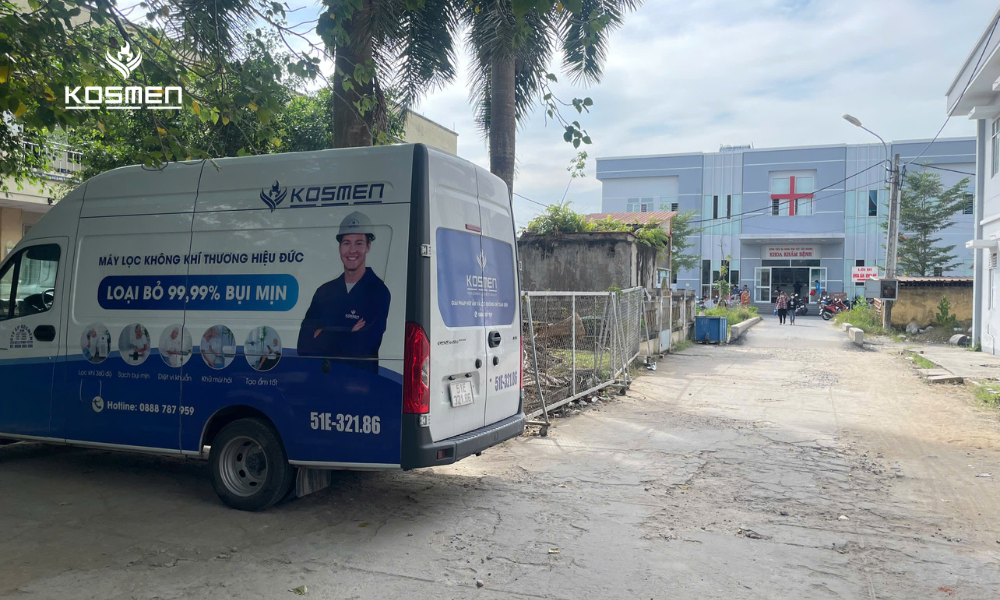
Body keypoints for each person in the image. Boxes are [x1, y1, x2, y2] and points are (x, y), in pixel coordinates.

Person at [297, 211, 391, 374]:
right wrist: (348, 331)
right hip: (322, 382)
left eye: (359, 243)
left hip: (360, 385)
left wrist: (322, 333)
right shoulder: (324, 291)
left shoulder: (379, 292)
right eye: (347, 243)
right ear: (340, 247)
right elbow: (303, 346)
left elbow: (361, 348)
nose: (352, 250)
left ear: (368, 246)